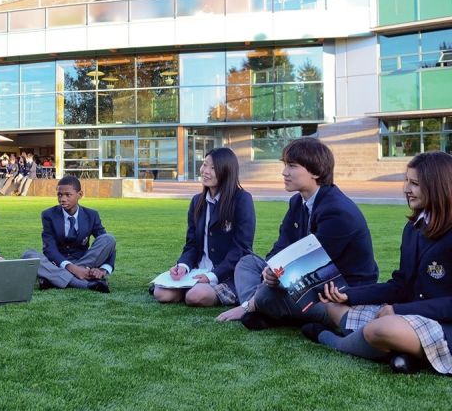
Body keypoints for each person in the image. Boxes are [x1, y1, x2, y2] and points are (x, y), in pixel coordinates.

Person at [302, 151, 452, 375]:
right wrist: (348, 296)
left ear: (438, 186)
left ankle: (332, 340)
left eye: (415, 184)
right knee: (333, 307)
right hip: (410, 318)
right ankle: (406, 354)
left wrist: (398, 310)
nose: (406, 189)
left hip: (443, 324)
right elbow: (401, 285)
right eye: (406, 181)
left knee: (382, 328)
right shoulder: (413, 229)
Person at [216, 137, 378, 329]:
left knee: (267, 294)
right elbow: (280, 247)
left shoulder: (337, 211)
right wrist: (270, 270)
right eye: (285, 165)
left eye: (292, 166)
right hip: (301, 279)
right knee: (247, 263)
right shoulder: (297, 202)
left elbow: (312, 270)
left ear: (316, 171)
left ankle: (256, 306)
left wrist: (250, 302)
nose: (284, 172)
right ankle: (265, 307)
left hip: (336, 293)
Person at [153, 148, 255, 307]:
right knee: (161, 293)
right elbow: (191, 244)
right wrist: (183, 266)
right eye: (204, 164)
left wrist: (213, 276)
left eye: (213, 168)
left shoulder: (242, 199)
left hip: (227, 273)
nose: (205, 171)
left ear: (226, 171)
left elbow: (241, 248)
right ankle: (189, 287)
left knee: (196, 296)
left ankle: (195, 290)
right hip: (198, 270)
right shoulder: (197, 201)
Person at [21, 175, 116, 293]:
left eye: (68, 195)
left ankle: (52, 279)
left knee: (109, 239)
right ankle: (86, 284)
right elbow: (49, 249)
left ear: (80, 194)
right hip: (58, 263)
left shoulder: (91, 215)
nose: (62, 199)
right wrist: (72, 268)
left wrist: (103, 270)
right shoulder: (48, 215)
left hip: (84, 261)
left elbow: (108, 247)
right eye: (59, 195)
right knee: (29, 255)